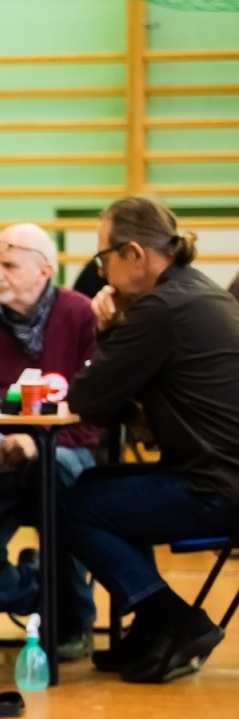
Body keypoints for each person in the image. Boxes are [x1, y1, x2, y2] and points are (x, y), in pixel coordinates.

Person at [64, 196, 239, 682]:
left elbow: (89, 398)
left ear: (136, 254)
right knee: (96, 484)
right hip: (220, 477)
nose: (100, 274)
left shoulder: (161, 309)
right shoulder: (201, 292)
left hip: (213, 490)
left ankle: (175, 620)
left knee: (71, 504)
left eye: (104, 258)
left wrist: (106, 329)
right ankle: (151, 626)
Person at [0, 222, 100, 660]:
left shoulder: (81, 314)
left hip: (63, 454)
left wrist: (38, 442)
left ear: (44, 270)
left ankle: (72, 619)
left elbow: (99, 411)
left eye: (8, 265)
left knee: (57, 486)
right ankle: (33, 590)